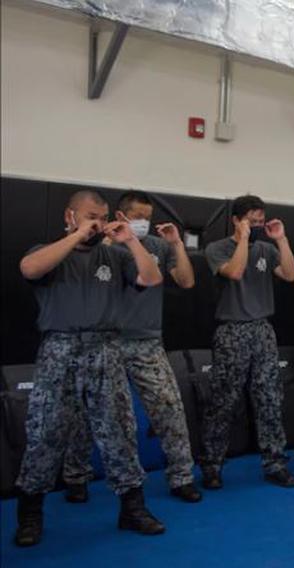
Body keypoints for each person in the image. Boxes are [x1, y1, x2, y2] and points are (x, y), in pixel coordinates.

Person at [14, 189, 166, 547]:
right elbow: (28, 268)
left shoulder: (114, 257)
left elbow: (152, 278)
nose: (97, 223)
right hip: (60, 349)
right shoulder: (48, 252)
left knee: (119, 430)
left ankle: (132, 508)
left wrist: (130, 242)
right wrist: (76, 236)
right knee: (45, 432)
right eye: (89, 216)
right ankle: (31, 513)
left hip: (105, 347)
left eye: (101, 216)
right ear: (70, 216)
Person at [62, 190, 201, 504]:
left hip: (147, 342)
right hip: (105, 341)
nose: (143, 223)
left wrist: (177, 244)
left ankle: (181, 476)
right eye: (137, 217)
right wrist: (110, 241)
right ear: (120, 216)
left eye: (147, 219)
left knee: (169, 409)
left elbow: (186, 281)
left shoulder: (156, 246)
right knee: (86, 413)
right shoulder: (100, 248)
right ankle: (76, 476)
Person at [201, 195, 294, 489]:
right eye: (251, 221)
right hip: (232, 330)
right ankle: (212, 464)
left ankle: (274, 462)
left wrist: (281, 240)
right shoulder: (217, 249)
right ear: (236, 220)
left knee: (269, 397)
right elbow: (235, 272)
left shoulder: (266, 249)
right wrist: (243, 239)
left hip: (262, 329)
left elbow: (291, 275)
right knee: (224, 401)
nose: (257, 226)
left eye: (260, 221)